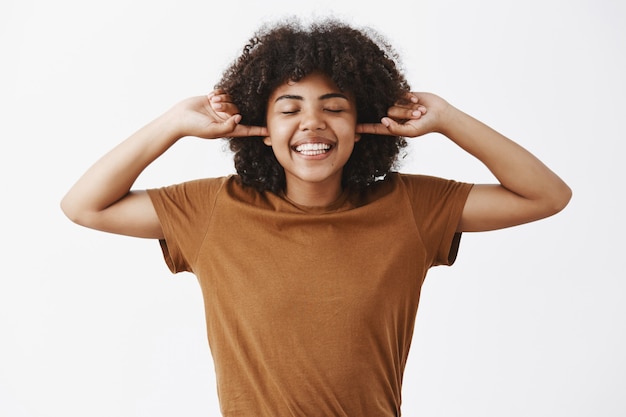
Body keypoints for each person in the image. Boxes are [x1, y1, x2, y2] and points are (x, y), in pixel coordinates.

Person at [60, 18, 571, 417]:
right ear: (261, 126)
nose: (312, 123)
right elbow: (84, 205)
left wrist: (448, 118)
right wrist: (172, 123)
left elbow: (545, 195)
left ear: (363, 123)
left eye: (334, 107)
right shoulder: (214, 210)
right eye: (289, 108)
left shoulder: (410, 208)